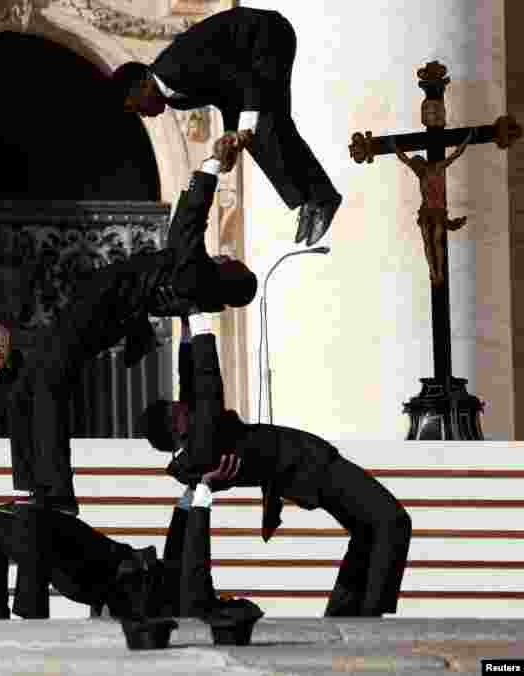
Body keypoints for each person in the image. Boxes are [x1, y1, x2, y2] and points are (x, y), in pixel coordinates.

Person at [8, 155, 257, 515]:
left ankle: (56, 493)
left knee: (46, 383)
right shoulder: (192, 280)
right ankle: (33, 486)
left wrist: (211, 166)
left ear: (228, 271)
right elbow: (180, 235)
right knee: (25, 388)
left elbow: (188, 223)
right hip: (101, 310)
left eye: (229, 260)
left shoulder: (196, 276)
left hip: (100, 306)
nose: (222, 255)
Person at [137, 312, 412, 617]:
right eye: (176, 407)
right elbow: (207, 382)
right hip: (311, 466)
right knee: (392, 521)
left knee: (367, 530)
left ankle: (345, 614)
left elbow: (189, 380)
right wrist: (201, 324)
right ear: (176, 423)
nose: (182, 402)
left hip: (305, 467)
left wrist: (187, 329)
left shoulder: (195, 446)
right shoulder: (202, 444)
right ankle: (373, 617)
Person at [111, 7, 342, 247]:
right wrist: (232, 137)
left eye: (137, 107)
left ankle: (321, 198)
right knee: (266, 128)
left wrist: (244, 129)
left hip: (268, 39)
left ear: (143, 85)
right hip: (249, 63)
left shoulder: (175, 68)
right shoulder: (173, 96)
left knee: (265, 126)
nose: (144, 115)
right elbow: (225, 95)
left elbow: (244, 78)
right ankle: (311, 199)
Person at [0, 454, 248, 621]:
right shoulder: (188, 585)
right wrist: (192, 489)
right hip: (105, 555)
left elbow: (197, 547)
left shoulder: (198, 602)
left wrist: (205, 490)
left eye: (233, 602)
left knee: (32, 524)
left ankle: (32, 614)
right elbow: (179, 543)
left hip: (99, 575)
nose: (231, 597)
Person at [390, 129, 475, 285]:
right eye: (415, 167)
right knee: (428, 242)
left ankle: (440, 272)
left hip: (438, 212)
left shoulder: (437, 168)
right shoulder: (420, 172)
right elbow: (405, 159)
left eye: (417, 164)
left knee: (436, 240)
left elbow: (456, 154)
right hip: (426, 211)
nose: (415, 168)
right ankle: (433, 271)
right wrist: (394, 147)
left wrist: (468, 139)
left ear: (422, 162)